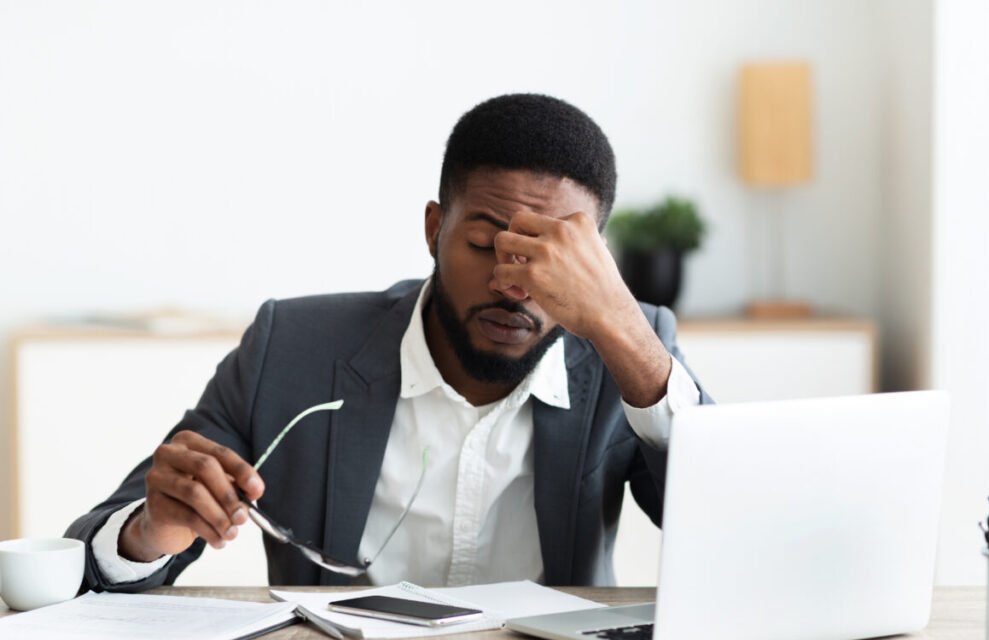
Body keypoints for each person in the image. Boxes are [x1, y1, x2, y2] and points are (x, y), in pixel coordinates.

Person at [66, 93, 710, 591]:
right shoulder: (290, 349)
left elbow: (736, 536)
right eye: (485, 244)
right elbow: (89, 561)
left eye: (550, 259)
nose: (514, 286)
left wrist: (622, 326)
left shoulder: (630, 352)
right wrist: (149, 532)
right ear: (434, 228)